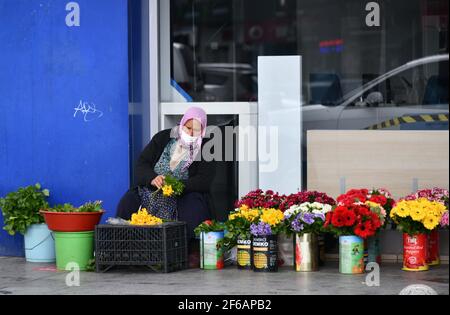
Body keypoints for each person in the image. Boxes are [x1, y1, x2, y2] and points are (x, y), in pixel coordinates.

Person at [116, 107, 216, 268]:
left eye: (196, 130)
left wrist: (177, 186)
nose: (191, 133)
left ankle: (188, 251)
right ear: (182, 124)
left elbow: (205, 180)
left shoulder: (206, 148)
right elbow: (142, 164)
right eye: (188, 128)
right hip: (152, 189)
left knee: (194, 207)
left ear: (202, 130)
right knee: (128, 202)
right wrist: (152, 178)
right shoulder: (163, 138)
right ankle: (122, 249)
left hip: (183, 193)